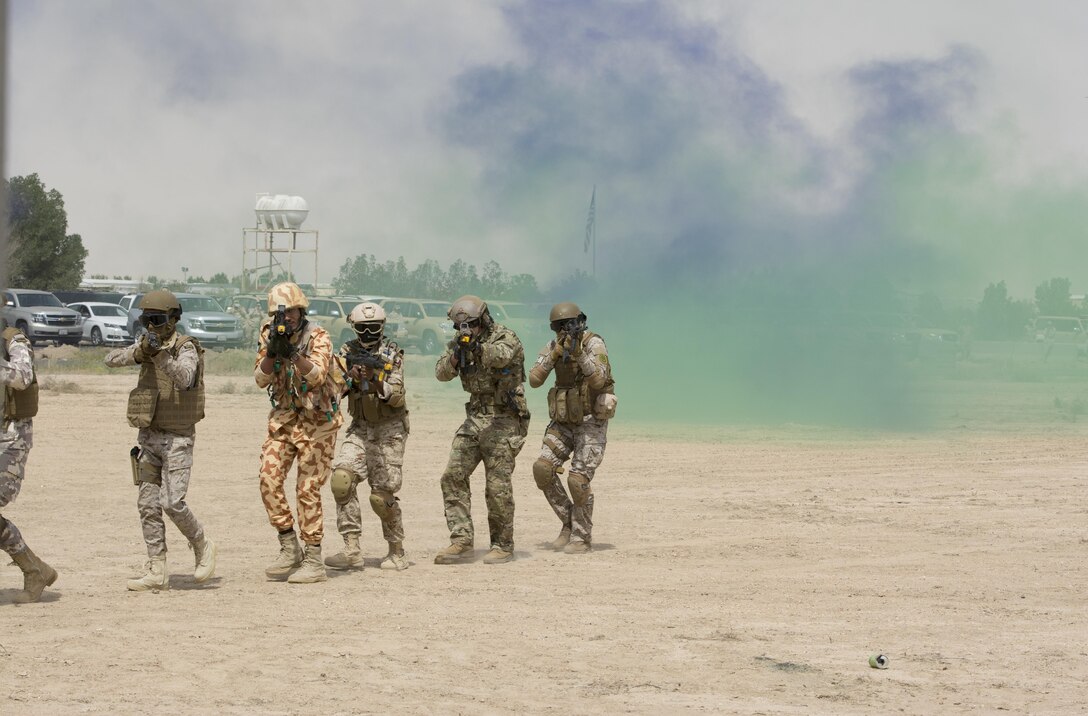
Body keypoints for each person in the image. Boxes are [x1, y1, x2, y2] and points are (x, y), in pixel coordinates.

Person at [104, 290, 217, 591]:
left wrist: (159, 355)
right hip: (150, 438)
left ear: (173, 319)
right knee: (147, 504)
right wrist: (140, 352)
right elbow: (111, 359)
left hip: (178, 438)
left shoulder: (186, 347)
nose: (151, 326)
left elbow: (184, 377)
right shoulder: (147, 345)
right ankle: (156, 567)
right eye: (146, 320)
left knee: (173, 502)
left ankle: (202, 543)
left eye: (156, 320)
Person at [255, 282, 343, 584]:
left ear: (301, 310)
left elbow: (317, 376)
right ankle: (288, 545)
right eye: (281, 313)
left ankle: (314, 558)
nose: (286, 318)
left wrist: (292, 353)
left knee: (307, 488)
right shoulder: (268, 333)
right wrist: (272, 352)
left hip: (318, 421)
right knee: (268, 479)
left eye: (290, 311)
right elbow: (259, 378)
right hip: (285, 418)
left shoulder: (317, 336)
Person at [434, 295, 530, 565]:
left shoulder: (504, 337)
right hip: (476, 416)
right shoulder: (460, 344)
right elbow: (441, 373)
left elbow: (500, 357)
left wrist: (476, 348)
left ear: (483, 320)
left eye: (472, 325)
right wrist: (456, 355)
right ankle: (461, 540)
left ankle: (502, 544)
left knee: (496, 485)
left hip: (505, 417)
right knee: (452, 475)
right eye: (461, 327)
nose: (466, 331)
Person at [325, 302, 410, 572]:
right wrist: (349, 378)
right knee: (342, 479)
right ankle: (351, 548)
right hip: (360, 427)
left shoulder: (392, 354)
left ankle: (397, 550)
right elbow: (334, 391)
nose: (369, 333)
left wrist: (374, 380)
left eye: (374, 328)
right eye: (363, 328)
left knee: (381, 495)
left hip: (389, 429)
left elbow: (397, 396)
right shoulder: (347, 352)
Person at [528, 303, 616, 553]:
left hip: (591, 421)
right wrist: (556, 353)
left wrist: (578, 353)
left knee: (578, 480)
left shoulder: (593, 344)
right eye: (557, 327)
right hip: (564, 420)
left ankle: (581, 536)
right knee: (542, 469)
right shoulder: (554, 345)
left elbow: (599, 379)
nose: (562, 331)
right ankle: (568, 522)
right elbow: (534, 379)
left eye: (566, 326)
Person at [0, 320, 57, 603]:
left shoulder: (14, 340)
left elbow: (22, 376)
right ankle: (35, 569)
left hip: (11, 440)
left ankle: (34, 569)